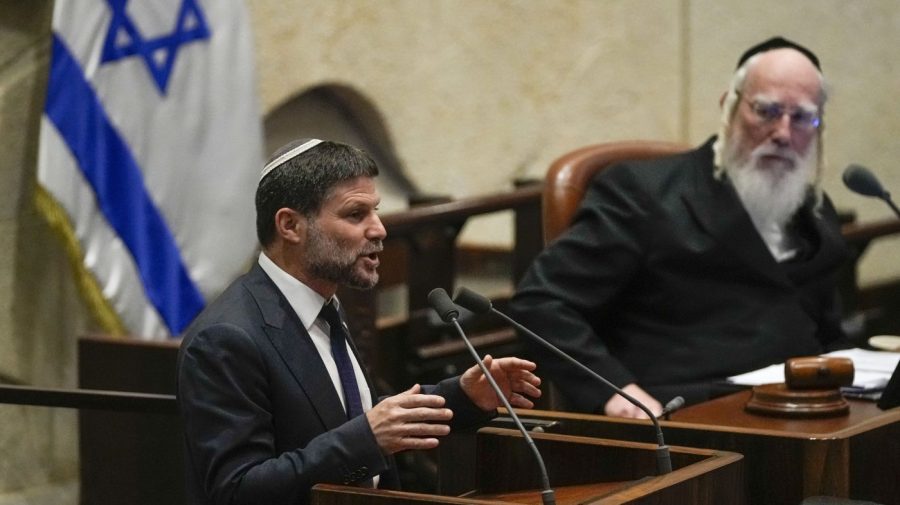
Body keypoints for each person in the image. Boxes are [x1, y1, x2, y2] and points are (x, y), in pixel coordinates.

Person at [177, 138, 541, 505]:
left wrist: (461, 397)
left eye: (376, 210)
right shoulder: (225, 338)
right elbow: (236, 491)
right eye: (356, 214)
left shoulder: (323, 306)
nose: (379, 229)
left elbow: (340, 411)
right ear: (290, 225)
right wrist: (366, 440)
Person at [510, 37, 848, 419]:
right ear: (730, 107)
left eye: (803, 117)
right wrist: (614, 391)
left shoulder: (814, 212)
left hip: (806, 412)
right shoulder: (645, 192)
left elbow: (828, 336)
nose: (783, 133)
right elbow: (542, 303)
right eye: (766, 111)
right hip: (691, 418)